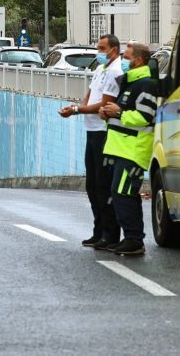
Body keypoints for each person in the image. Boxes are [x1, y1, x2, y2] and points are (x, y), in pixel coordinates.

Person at [59, 34, 123, 248]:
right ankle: (99, 230)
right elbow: (89, 96)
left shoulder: (115, 72)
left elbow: (105, 104)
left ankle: (111, 233)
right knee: (92, 186)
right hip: (91, 130)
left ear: (114, 49)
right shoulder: (100, 69)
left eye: (102, 48)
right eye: (98, 48)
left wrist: (76, 110)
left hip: (104, 132)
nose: (99, 52)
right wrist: (79, 106)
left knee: (103, 186)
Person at [98, 42, 158, 256]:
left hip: (133, 149)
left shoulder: (146, 85)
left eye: (127, 56)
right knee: (120, 194)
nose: (124, 60)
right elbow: (122, 111)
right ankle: (130, 238)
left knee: (123, 193)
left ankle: (134, 239)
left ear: (139, 60)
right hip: (119, 147)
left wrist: (118, 113)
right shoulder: (129, 83)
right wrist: (108, 113)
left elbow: (145, 117)